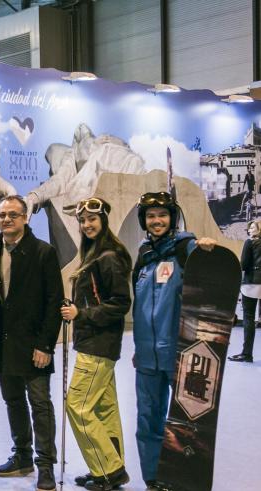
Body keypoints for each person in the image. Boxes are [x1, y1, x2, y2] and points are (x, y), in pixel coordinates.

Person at [131, 191, 215, 490]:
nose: (157, 221)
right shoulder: (144, 254)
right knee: (148, 419)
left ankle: (184, 473)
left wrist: (205, 249)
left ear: (172, 218)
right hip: (146, 354)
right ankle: (153, 477)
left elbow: (209, 281)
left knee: (185, 420)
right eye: (151, 216)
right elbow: (138, 306)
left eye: (162, 215)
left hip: (180, 352)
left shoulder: (185, 248)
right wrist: (137, 350)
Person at [0, 195, 63, 491]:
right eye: (2, 215)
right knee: (13, 401)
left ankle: (45, 464)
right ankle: (22, 455)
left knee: (40, 403)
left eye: (12, 215)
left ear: (25, 218)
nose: (6, 220)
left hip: (34, 346)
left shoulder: (43, 252)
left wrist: (46, 346)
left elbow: (54, 301)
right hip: (3, 345)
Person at [59, 197, 133, 491]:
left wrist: (82, 313)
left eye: (92, 219)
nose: (87, 225)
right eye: (82, 221)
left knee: (77, 406)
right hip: (96, 343)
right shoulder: (95, 255)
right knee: (104, 409)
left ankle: (108, 469)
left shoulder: (109, 257)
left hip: (97, 346)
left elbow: (120, 303)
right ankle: (110, 468)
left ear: (103, 220)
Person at [231, 219, 261, 363]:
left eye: (253, 227)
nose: (250, 230)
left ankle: (246, 353)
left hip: (251, 284)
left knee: (248, 318)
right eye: (249, 228)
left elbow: (243, 264)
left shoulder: (249, 242)